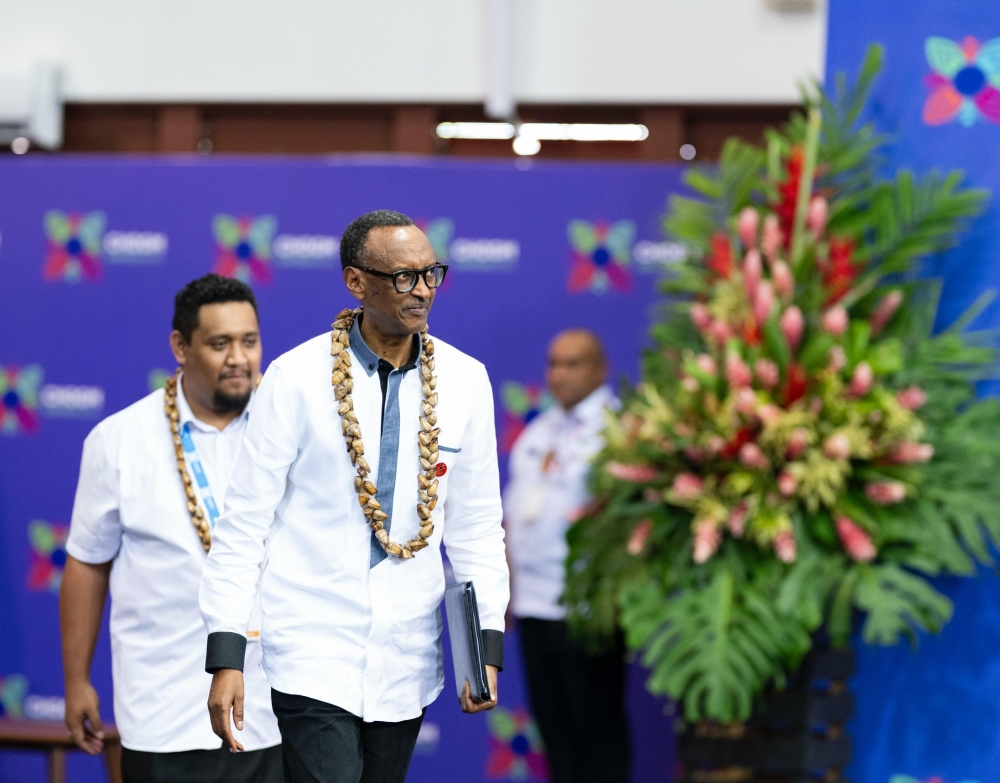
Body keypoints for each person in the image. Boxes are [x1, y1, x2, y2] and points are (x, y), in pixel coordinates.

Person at [199, 210, 509, 783]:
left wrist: (483, 644)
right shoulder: (293, 378)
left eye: (431, 274)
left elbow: (477, 528)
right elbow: (244, 526)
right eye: (403, 278)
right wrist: (227, 654)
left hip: (408, 656)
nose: (422, 292)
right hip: (311, 650)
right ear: (356, 281)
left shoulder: (468, 382)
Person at [60, 274, 282, 783]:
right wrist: (76, 681)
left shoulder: (289, 430)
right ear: (180, 347)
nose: (238, 358)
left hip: (277, 707)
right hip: (165, 711)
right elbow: (86, 565)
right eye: (220, 343)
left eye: (249, 341)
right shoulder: (118, 440)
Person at [503, 330, 631, 783]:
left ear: (601, 369)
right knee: (556, 737)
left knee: (596, 734)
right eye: (553, 363)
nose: (559, 374)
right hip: (534, 606)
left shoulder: (621, 433)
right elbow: (511, 515)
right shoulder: (539, 431)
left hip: (585, 609)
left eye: (572, 363)